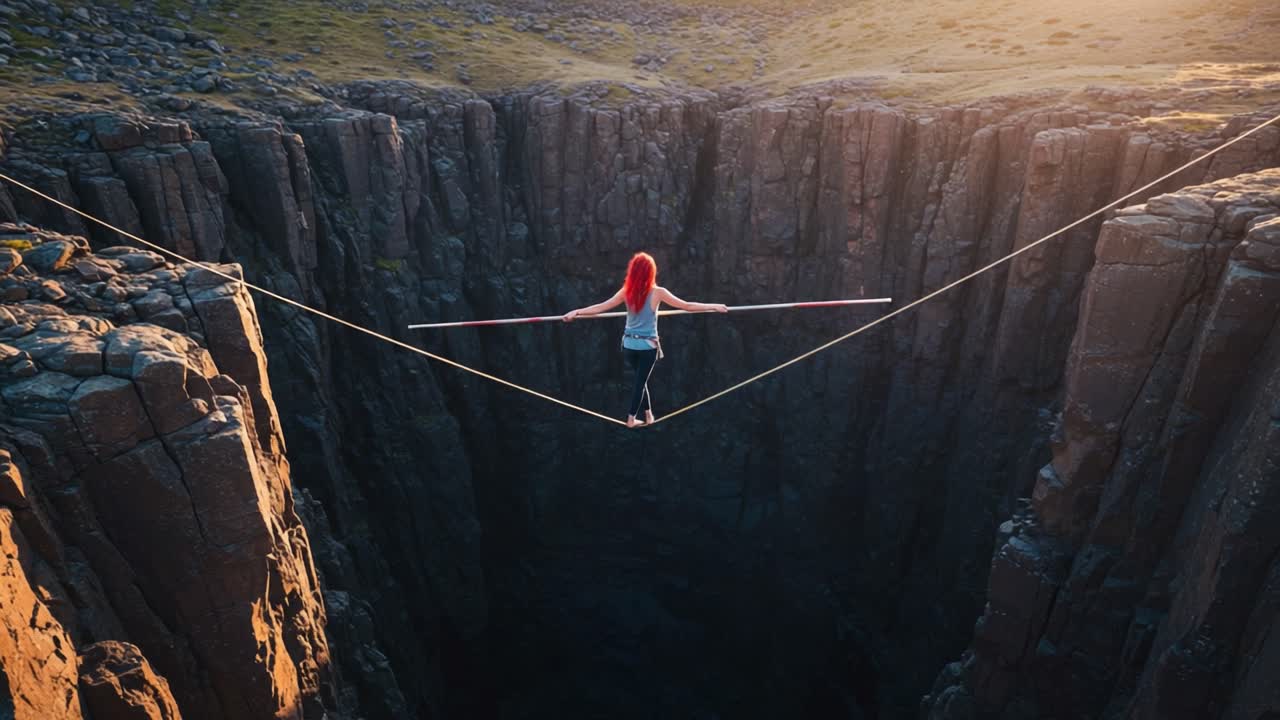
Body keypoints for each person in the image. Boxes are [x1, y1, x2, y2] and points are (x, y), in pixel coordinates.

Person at [564, 252, 727, 428]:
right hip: (647, 346)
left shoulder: (626, 291)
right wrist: (714, 306)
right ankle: (631, 419)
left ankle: (648, 415)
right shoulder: (658, 292)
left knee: (640, 380)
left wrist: (577, 311)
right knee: (640, 383)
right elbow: (687, 306)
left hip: (628, 345)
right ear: (651, 272)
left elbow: (601, 307)